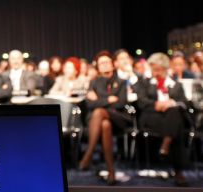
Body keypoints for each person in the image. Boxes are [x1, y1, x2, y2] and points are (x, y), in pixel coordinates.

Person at [79, 51, 130, 185]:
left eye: (107, 62)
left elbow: (121, 103)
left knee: (99, 112)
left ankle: (89, 153)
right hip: (99, 122)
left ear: (113, 65)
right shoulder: (94, 82)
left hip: (119, 118)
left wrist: (100, 100)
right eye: (101, 63)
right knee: (105, 124)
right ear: (98, 67)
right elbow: (89, 104)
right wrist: (109, 99)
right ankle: (111, 172)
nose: (104, 65)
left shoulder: (122, 82)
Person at [137, 52, 188, 186]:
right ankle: (179, 172)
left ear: (165, 69)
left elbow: (185, 103)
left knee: (174, 112)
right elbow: (141, 102)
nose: (156, 72)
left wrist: (171, 103)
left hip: (170, 119)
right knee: (176, 126)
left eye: (159, 69)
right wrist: (156, 104)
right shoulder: (145, 83)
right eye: (154, 69)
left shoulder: (176, 85)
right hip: (152, 118)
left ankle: (165, 144)